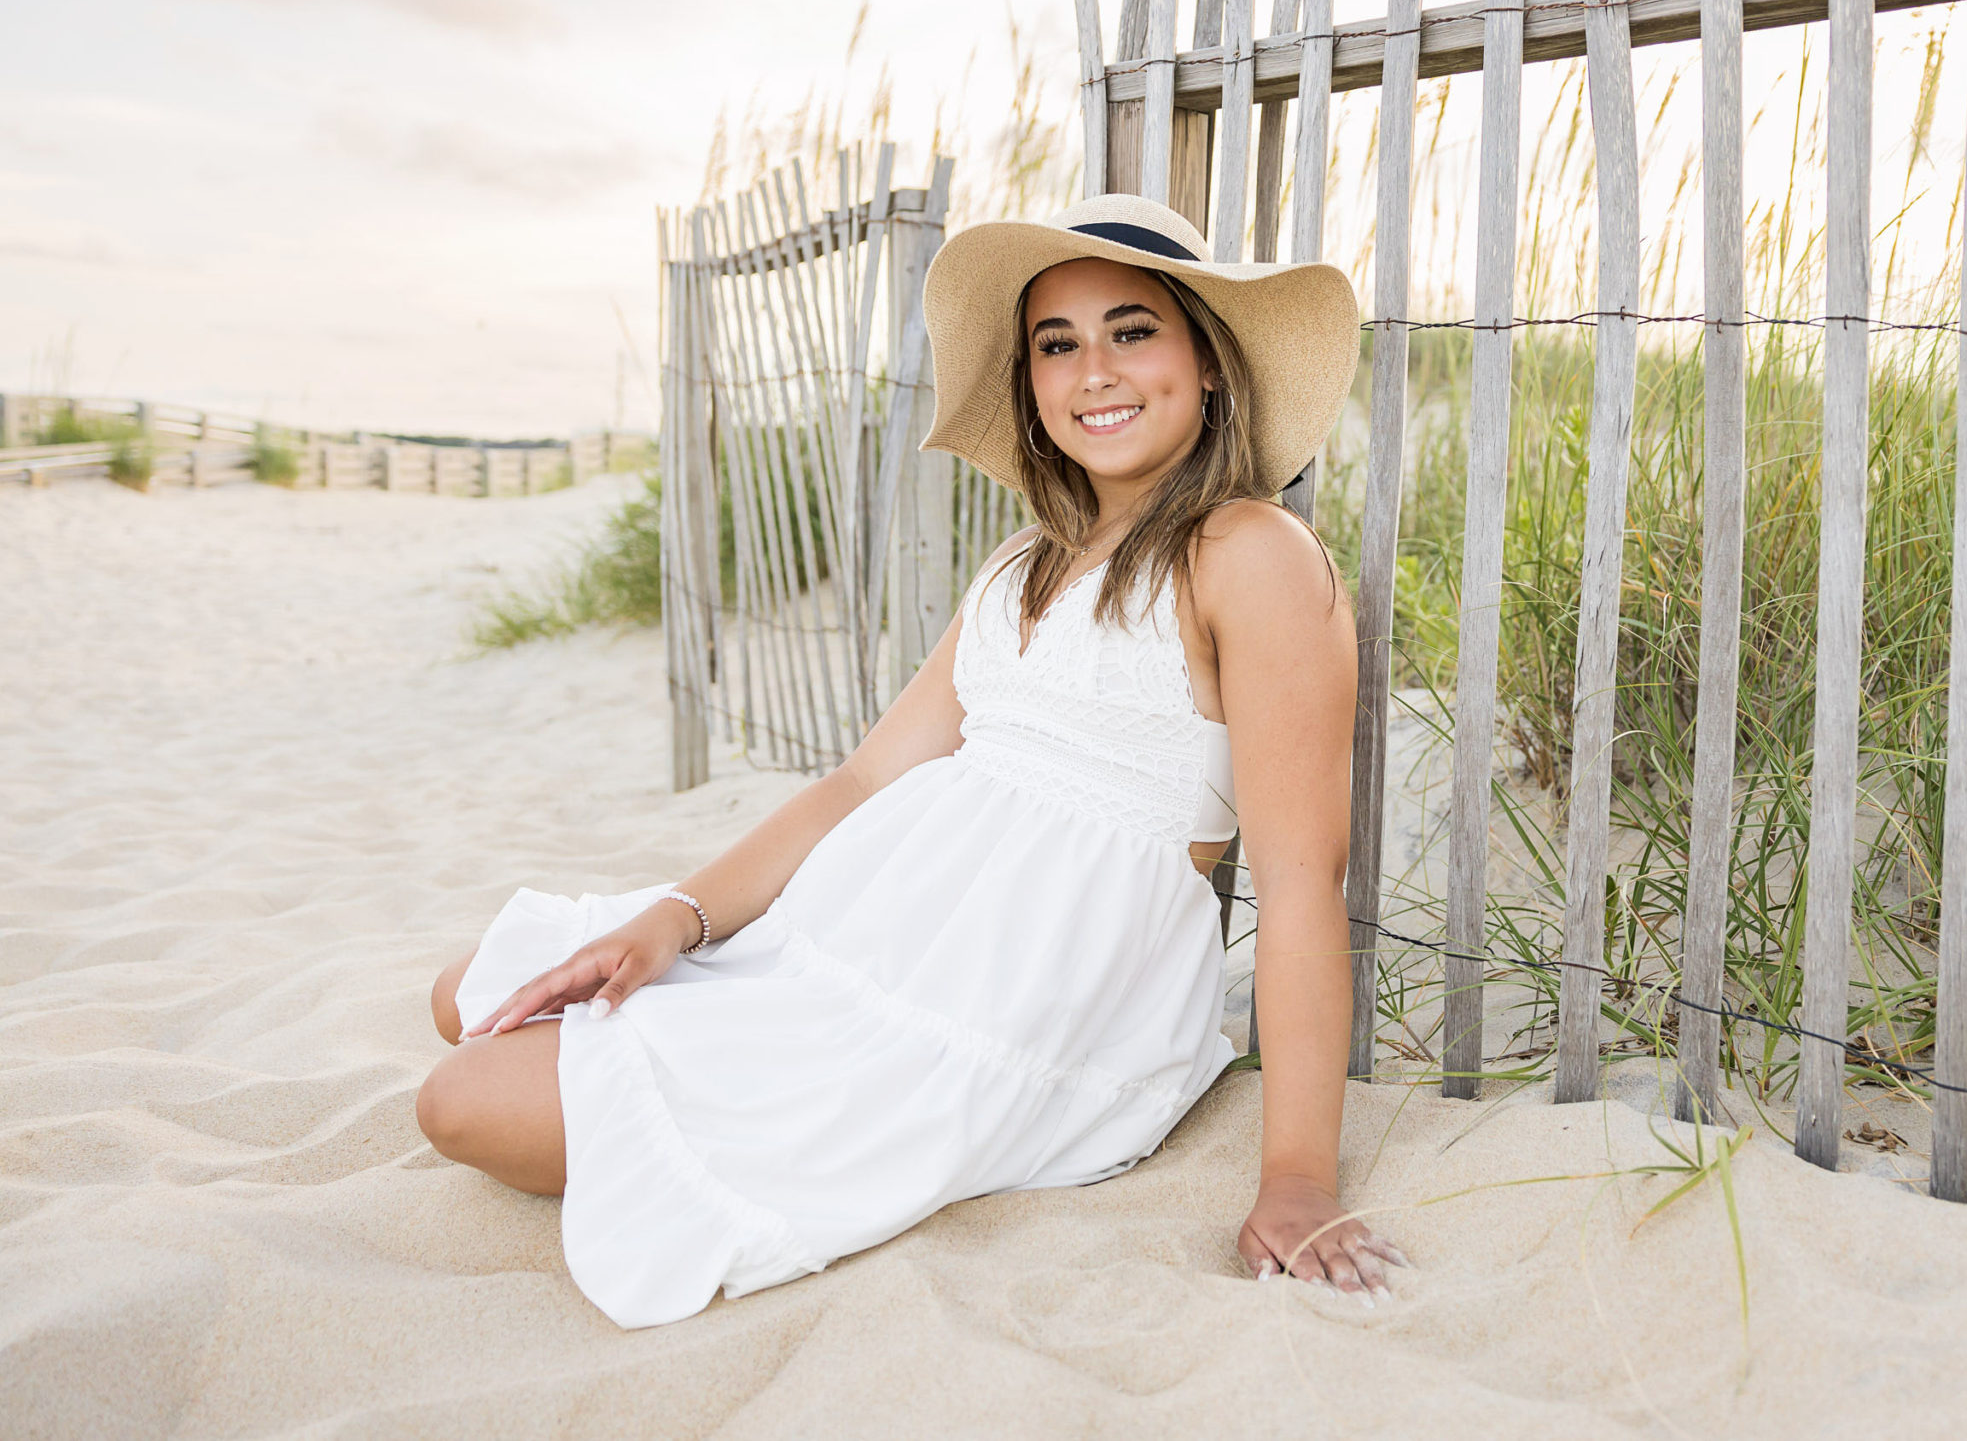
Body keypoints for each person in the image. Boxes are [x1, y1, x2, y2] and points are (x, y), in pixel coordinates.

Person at [414, 192, 1408, 1329]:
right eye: (1056, 344)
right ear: (1031, 385)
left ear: (1209, 362)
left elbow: (1296, 880)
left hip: (1000, 990)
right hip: (872, 926)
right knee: (469, 992)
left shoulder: (1248, 552)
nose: (1095, 371)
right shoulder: (1023, 566)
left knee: (462, 1102)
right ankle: (715, 1002)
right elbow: (863, 783)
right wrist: (677, 917)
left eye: (1133, 331)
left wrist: (1296, 1180)